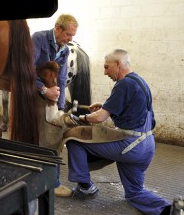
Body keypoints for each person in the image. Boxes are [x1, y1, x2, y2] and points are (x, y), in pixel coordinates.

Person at [65, 49, 172, 214]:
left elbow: (100, 118)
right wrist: (106, 106)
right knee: (134, 193)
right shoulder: (138, 80)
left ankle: (85, 186)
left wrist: (82, 118)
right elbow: (133, 108)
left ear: (118, 64)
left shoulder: (123, 84)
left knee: (74, 139)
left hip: (130, 146)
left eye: (107, 67)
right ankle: (169, 209)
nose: (105, 72)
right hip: (147, 146)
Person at [32, 13, 78, 197]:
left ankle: (53, 181)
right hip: (33, 92)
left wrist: (59, 109)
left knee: (55, 132)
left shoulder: (65, 50)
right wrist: (43, 90)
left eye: (73, 36)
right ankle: (44, 179)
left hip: (50, 96)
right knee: (39, 137)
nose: (71, 39)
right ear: (57, 29)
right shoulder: (39, 39)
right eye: (68, 34)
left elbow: (61, 78)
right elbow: (26, 69)